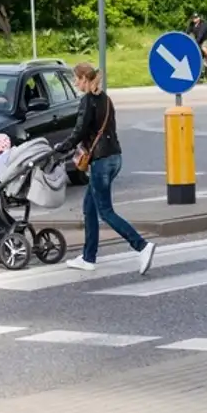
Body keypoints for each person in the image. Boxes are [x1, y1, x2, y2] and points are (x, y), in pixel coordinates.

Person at [54, 63, 155, 275]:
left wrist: (61, 147)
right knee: (89, 207)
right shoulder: (106, 100)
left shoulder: (87, 101)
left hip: (100, 161)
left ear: (84, 79)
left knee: (105, 211)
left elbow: (79, 131)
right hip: (114, 157)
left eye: (76, 79)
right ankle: (88, 258)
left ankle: (142, 246)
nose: (75, 83)